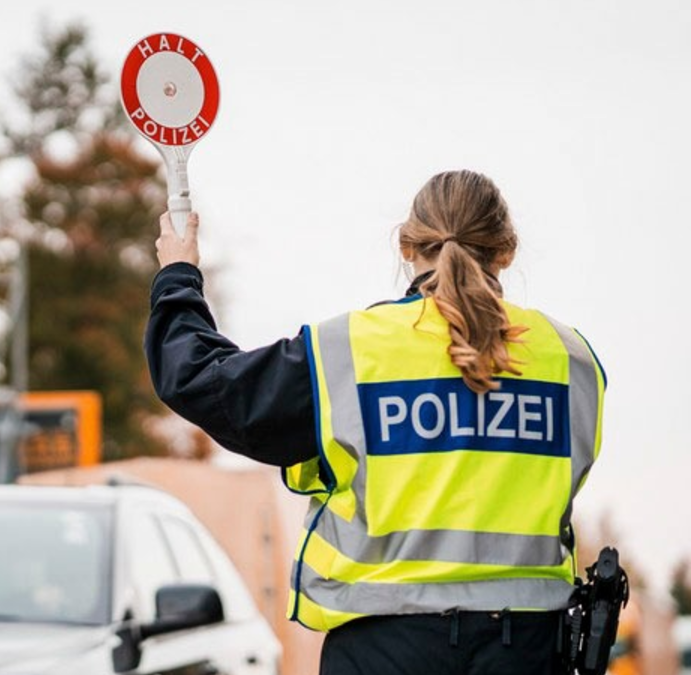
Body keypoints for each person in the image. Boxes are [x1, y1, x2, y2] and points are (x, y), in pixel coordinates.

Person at [145, 170, 605, 675]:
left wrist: (178, 274)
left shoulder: (350, 352)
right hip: (527, 652)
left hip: (383, 651)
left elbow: (201, 381)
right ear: (506, 251)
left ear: (408, 246)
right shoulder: (572, 360)